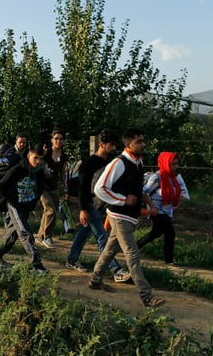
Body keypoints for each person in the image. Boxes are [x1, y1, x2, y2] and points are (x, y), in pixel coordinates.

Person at [90, 127, 165, 308]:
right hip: (119, 215)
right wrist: (123, 200)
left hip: (128, 216)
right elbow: (100, 188)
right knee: (132, 253)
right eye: (139, 141)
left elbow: (136, 191)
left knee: (110, 250)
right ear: (128, 144)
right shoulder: (119, 163)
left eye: (143, 141)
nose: (143, 144)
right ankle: (146, 296)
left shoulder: (138, 163)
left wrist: (147, 203)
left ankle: (95, 280)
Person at [65, 129, 131, 283]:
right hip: (90, 203)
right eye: (111, 145)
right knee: (102, 237)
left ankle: (72, 259)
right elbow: (82, 188)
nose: (114, 148)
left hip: (101, 203)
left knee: (84, 232)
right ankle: (116, 270)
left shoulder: (111, 161)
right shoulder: (88, 163)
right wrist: (82, 209)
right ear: (102, 144)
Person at [0, 144, 49, 273]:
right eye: (36, 158)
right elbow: (0, 186)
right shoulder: (18, 169)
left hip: (26, 206)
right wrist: (11, 201)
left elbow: (40, 188)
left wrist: (32, 202)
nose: (38, 161)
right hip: (15, 205)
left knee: (13, 232)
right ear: (29, 155)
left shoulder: (39, 171)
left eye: (41, 159)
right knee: (24, 232)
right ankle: (36, 262)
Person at [137, 152, 190, 265]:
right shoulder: (157, 177)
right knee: (170, 233)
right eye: (173, 164)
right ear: (166, 163)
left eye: (177, 164)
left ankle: (134, 248)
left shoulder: (172, 178)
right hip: (157, 211)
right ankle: (169, 260)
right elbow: (143, 192)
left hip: (167, 210)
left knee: (155, 233)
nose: (176, 166)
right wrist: (151, 206)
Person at [36, 130, 68, 249]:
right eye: (56, 138)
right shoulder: (46, 153)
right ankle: (47, 237)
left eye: (60, 138)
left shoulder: (63, 156)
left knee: (48, 212)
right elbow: (36, 163)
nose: (58, 141)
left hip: (54, 187)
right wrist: (42, 155)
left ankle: (40, 236)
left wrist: (65, 185)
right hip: (43, 187)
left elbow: (63, 172)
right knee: (51, 210)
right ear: (52, 140)